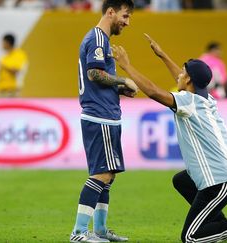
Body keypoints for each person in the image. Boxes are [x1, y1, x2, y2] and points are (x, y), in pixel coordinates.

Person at [112, 34, 227, 243]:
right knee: (182, 181)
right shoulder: (204, 97)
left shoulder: (188, 101)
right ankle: (215, 225)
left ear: (189, 80)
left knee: (191, 238)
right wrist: (162, 55)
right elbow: (183, 78)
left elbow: (153, 92)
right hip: (226, 172)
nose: (179, 75)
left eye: (183, 73)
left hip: (221, 179)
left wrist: (127, 66)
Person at [71, 0, 138, 242]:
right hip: (100, 116)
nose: (127, 22)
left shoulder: (100, 40)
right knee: (101, 174)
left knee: (108, 174)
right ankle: (79, 232)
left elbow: (96, 79)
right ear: (111, 12)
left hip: (105, 113)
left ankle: (99, 230)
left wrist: (119, 91)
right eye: (125, 15)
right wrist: (122, 81)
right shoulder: (98, 38)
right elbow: (94, 73)